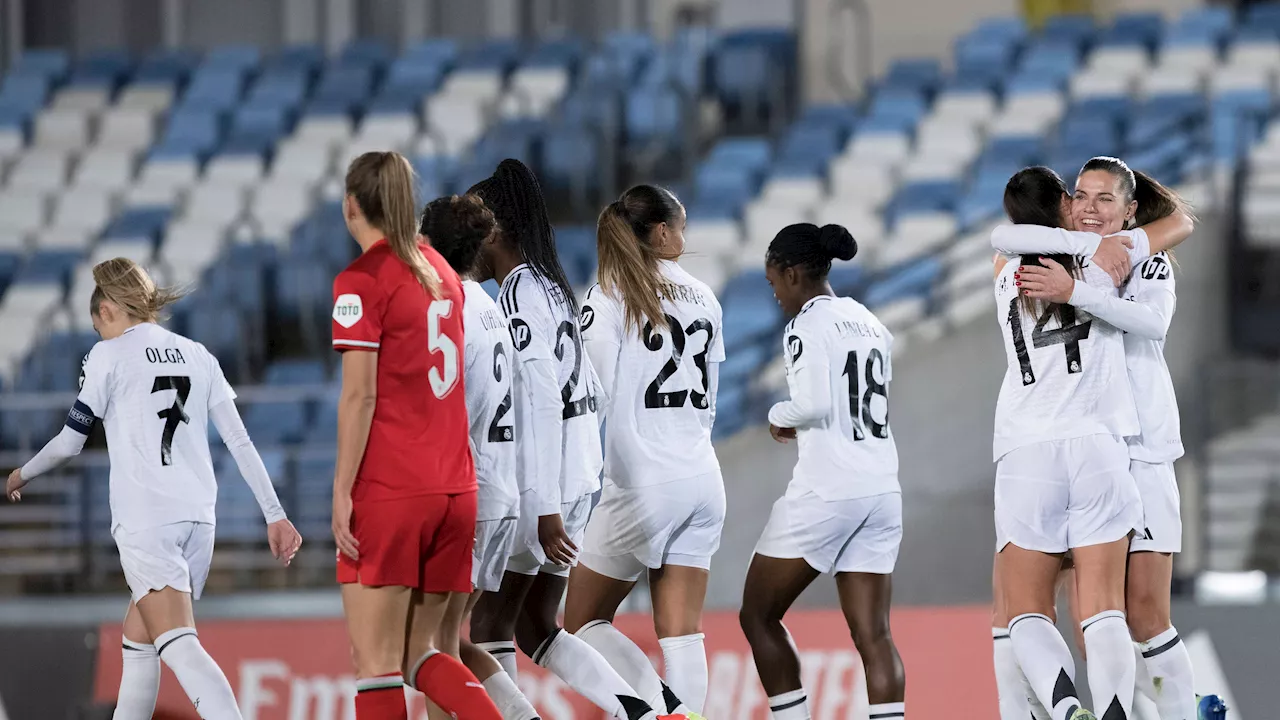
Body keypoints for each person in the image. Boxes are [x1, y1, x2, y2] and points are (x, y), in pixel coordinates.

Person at [4, 257, 302, 720]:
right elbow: (239, 441)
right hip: (199, 519)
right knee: (139, 642)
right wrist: (274, 513)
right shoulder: (198, 354)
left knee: (180, 645)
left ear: (105, 310)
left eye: (97, 325)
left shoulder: (107, 355)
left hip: (147, 519)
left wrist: (22, 473)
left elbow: (69, 442)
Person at [996, 159, 1227, 720]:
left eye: (1106, 199)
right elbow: (1007, 237)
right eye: (1081, 196)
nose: (1090, 207)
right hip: (1090, 449)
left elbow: (1152, 323)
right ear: (1065, 205)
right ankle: (1152, 707)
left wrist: (1080, 287)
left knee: (1144, 614)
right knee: (1083, 616)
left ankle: (1172, 708)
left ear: (1129, 210)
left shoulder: (1136, 260)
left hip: (1140, 448)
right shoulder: (1069, 255)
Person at [465, 159, 660, 720]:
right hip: (576, 478)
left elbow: (546, 397)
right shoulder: (551, 286)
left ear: (496, 231)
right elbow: (591, 390)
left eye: (477, 230)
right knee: (537, 626)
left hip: (543, 489)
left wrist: (545, 506)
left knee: (486, 625)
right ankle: (637, 712)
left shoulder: (518, 294)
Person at [329, 151, 501, 720]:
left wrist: (340, 493)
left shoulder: (361, 280)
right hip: (455, 490)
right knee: (419, 655)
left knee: (375, 665)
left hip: (393, 489)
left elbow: (360, 397)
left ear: (352, 204)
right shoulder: (441, 271)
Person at [564, 185, 726, 718]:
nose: (685, 235)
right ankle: (682, 713)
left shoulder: (609, 293)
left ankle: (660, 709)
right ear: (661, 233)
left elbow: (594, 394)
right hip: (703, 475)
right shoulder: (706, 297)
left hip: (642, 480)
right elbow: (710, 404)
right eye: (680, 225)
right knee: (683, 634)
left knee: (579, 620)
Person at [738, 223, 906, 720]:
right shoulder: (870, 321)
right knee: (874, 635)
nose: (775, 297)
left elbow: (811, 404)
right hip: (881, 488)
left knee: (758, 615)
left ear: (792, 274)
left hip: (829, 490)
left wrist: (776, 417)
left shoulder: (806, 326)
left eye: (774, 284)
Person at [419, 193, 542, 720]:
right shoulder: (492, 308)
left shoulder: (442, 311)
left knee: (425, 648)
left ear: (426, 244)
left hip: (464, 490)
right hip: (501, 490)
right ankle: (522, 715)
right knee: (447, 641)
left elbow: (437, 407)